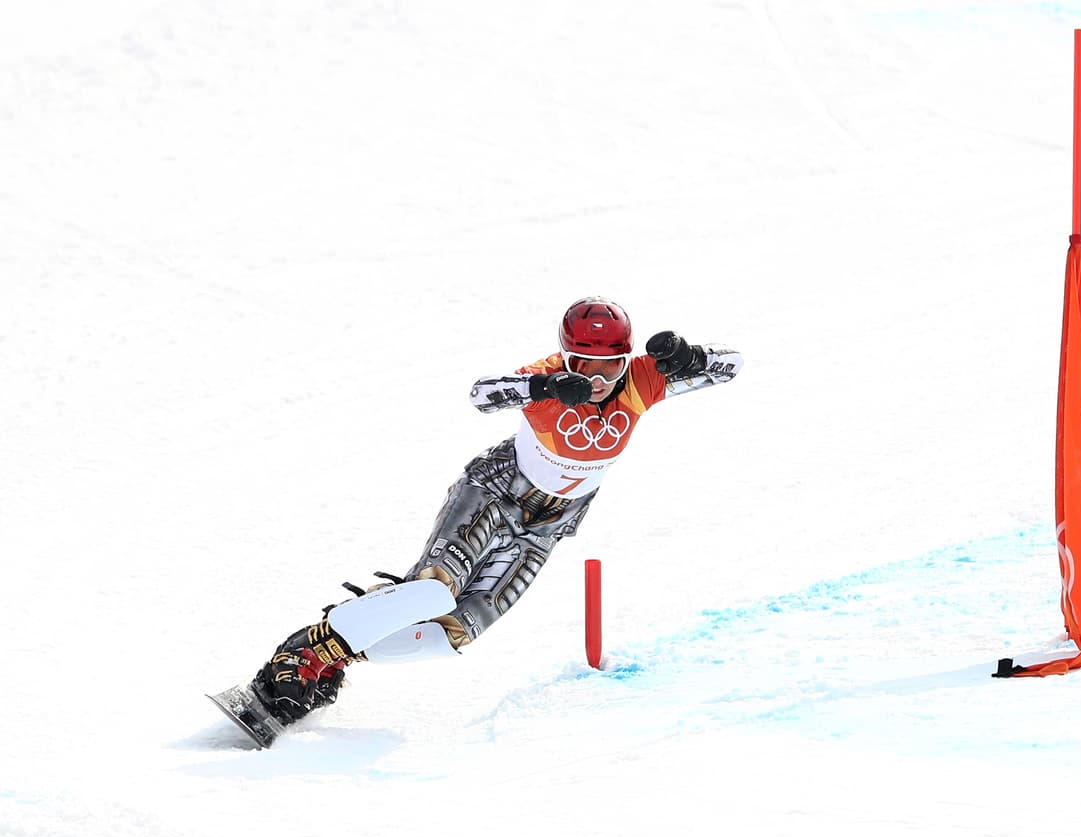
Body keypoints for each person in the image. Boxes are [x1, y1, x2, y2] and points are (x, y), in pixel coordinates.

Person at [248, 297, 743, 726]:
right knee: (433, 590)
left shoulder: (641, 381)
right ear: (565, 355)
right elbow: (482, 395)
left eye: (608, 368)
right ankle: (305, 652)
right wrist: (545, 388)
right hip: (495, 493)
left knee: (448, 634)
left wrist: (690, 357)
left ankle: (340, 656)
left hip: (547, 527)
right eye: (581, 364)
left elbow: (733, 365)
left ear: (625, 359)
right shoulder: (548, 375)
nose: (595, 380)